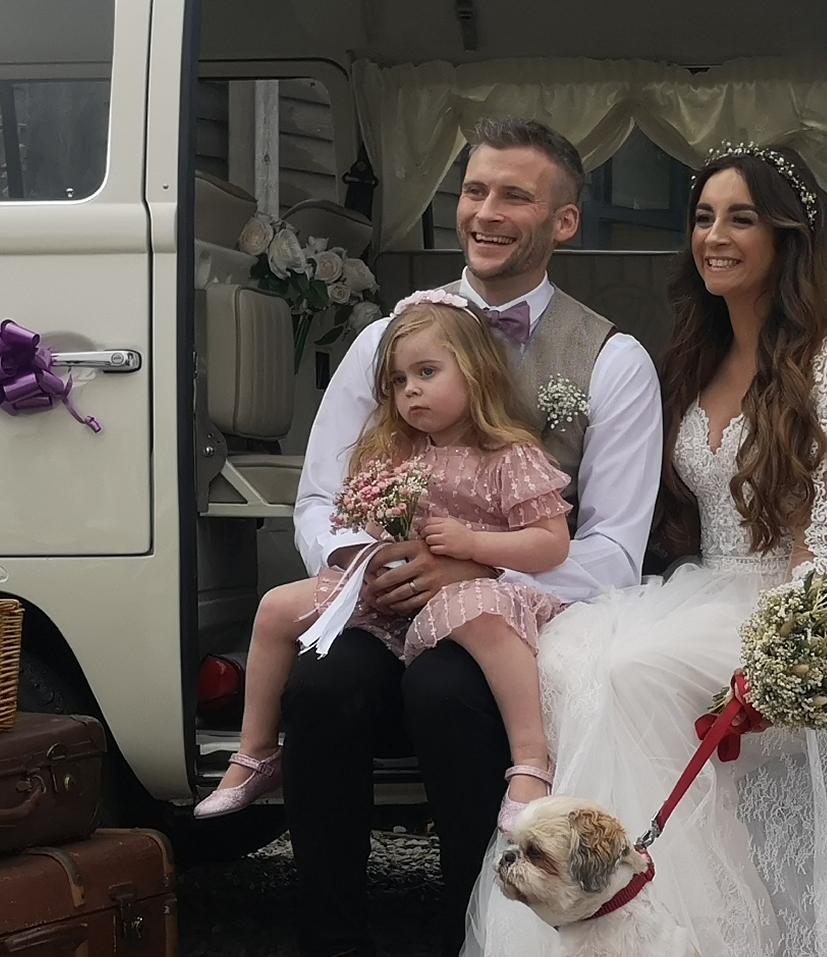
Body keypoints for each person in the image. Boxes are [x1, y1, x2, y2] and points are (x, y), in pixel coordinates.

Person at [443, 143, 827, 957]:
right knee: (582, 652)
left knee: (630, 671)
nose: (714, 236)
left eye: (739, 218)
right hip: (705, 590)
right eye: (703, 218)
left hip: (802, 607)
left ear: (787, 236)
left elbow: (823, 551)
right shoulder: (701, 352)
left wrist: (776, 666)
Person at [263, 118, 663, 957]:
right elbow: (319, 496)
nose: (485, 213)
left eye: (514, 196)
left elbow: (613, 548)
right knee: (323, 685)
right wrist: (366, 564)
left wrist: (475, 564)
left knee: (447, 690)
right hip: (383, 590)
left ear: (563, 222)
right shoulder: (390, 338)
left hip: (514, 609)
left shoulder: (611, 359)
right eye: (474, 191)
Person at [195, 290, 572, 828]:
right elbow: (356, 519)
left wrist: (474, 546)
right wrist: (372, 547)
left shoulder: (510, 456)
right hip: (394, 598)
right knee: (278, 607)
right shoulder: (393, 454)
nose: (411, 390)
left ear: (476, 373)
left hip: (469, 593)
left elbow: (550, 542)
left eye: (426, 372)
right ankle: (256, 752)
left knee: (486, 616)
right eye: (398, 381)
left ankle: (531, 759)